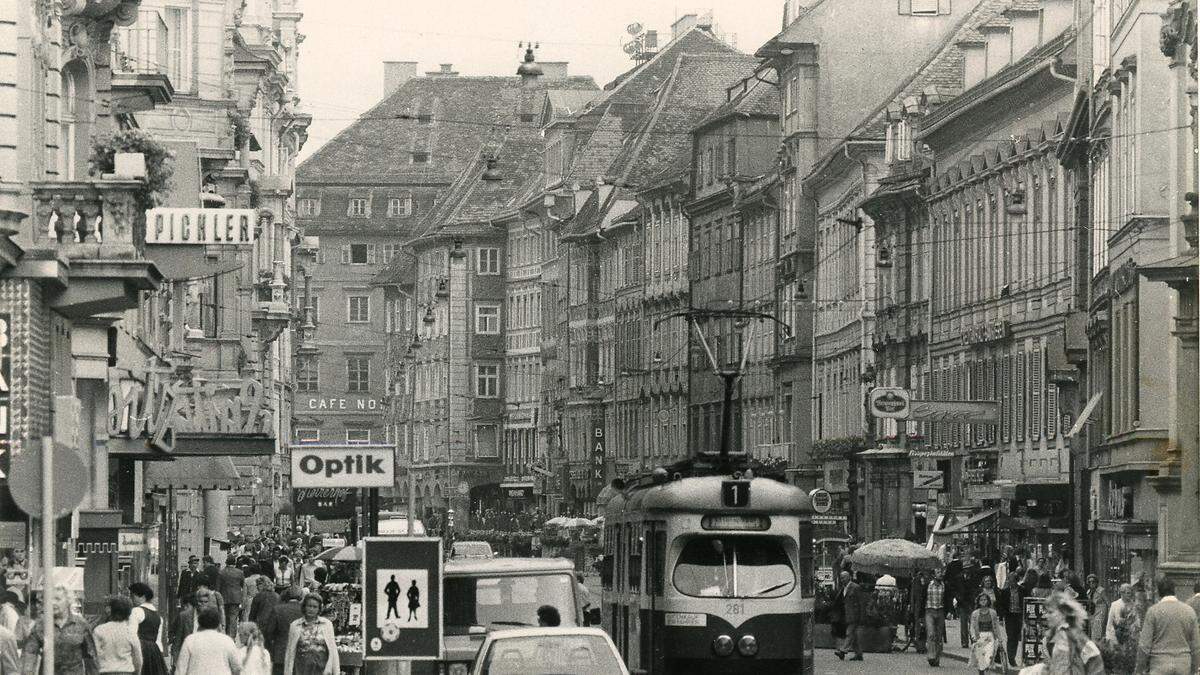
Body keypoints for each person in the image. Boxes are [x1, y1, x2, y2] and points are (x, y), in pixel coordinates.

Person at [22, 586, 98, 674]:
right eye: (49, 599)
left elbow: (91, 658)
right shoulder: (41, 626)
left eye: (57, 599)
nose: (53, 603)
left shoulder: (81, 625)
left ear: (68, 600)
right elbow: (29, 654)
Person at [1135, 575, 1200, 675]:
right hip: (1183, 664)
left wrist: (1139, 670)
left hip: (1159, 664)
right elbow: (1196, 646)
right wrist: (1195, 669)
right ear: (1174, 590)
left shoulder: (1153, 612)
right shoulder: (1189, 611)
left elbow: (1144, 645)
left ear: (1158, 591)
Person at [282, 593, 339, 675]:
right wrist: (287, 672)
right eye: (309, 606)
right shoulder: (295, 625)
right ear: (304, 607)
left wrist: (336, 672)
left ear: (319, 609)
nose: (311, 609)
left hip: (322, 668)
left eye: (315, 607)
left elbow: (333, 649)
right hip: (301, 668)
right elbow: (290, 650)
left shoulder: (327, 624)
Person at [175, 606, 241, 675]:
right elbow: (237, 668)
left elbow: (180, 670)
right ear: (218, 624)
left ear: (199, 623)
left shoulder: (190, 641)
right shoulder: (227, 641)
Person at [93, 595, 143, 675]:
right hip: (126, 671)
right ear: (129, 612)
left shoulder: (99, 630)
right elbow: (137, 658)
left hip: (105, 671)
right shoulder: (130, 632)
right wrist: (137, 672)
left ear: (111, 610)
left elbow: (95, 655)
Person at [128, 582, 169, 675]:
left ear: (142, 596)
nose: (132, 599)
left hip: (140, 650)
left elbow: (131, 635)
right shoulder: (158, 617)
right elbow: (158, 641)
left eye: (133, 596)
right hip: (154, 652)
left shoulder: (136, 611)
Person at [263, 589, 303, 675]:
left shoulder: (278, 609)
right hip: (300, 653)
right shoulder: (304, 610)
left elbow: (269, 632)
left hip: (280, 652)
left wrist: (271, 648)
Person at [968, 592, 1005, 675]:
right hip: (979, 636)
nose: (983, 601)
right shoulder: (975, 613)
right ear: (978, 602)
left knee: (989, 656)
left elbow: (996, 626)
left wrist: (1000, 638)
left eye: (985, 599)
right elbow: (972, 627)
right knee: (980, 657)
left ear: (988, 601)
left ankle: (985, 669)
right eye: (981, 600)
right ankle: (981, 673)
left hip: (990, 636)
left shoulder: (993, 612)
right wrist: (973, 636)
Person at [835, 570, 864, 661]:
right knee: (853, 636)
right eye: (841, 578)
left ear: (849, 577)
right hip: (847, 615)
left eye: (843, 577)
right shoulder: (843, 588)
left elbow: (861, 602)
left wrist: (861, 615)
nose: (842, 579)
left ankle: (843, 651)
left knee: (849, 633)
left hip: (855, 615)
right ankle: (859, 654)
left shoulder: (855, 587)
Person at [959, 551, 983, 648]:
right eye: (965, 569)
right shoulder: (959, 578)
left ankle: (973, 640)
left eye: (968, 569)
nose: (967, 571)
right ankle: (964, 642)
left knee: (972, 623)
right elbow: (956, 589)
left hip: (971, 603)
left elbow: (976, 589)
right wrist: (958, 598)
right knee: (963, 623)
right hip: (962, 603)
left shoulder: (974, 577)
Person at [926, 567, 947, 667]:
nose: (940, 574)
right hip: (929, 611)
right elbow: (922, 597)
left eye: (941, 572)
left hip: (940, 611)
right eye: (938, 572)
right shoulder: (928, 585)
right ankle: (931, 656)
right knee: (931, 633)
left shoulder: (944, 585)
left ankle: (937, 658)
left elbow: (948, 598)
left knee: (939, 636)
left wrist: (949, 611)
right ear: (934, 575)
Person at [220, 555, 246, 636]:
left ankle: (227, 634)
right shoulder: (240, 572)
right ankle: (232, 636)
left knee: (226, 617)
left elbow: (219, 585)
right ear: (235, 563)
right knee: (233, 618)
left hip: (224, 597)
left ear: (226, 562)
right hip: (236, 598)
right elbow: (242, 585)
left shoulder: (221, 572)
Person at [1084, 575, 1109, 643]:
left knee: (1097, 633)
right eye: (1089, 582)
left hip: (1100, 612)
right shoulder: (1089, 592)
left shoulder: (1101, 590)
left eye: (1093, 582)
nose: (1091, 583)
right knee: (1092, 632)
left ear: (1096, 582)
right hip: (1092, 613)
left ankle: (1098, 646)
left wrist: (1108, 615)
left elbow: (1107, 602)